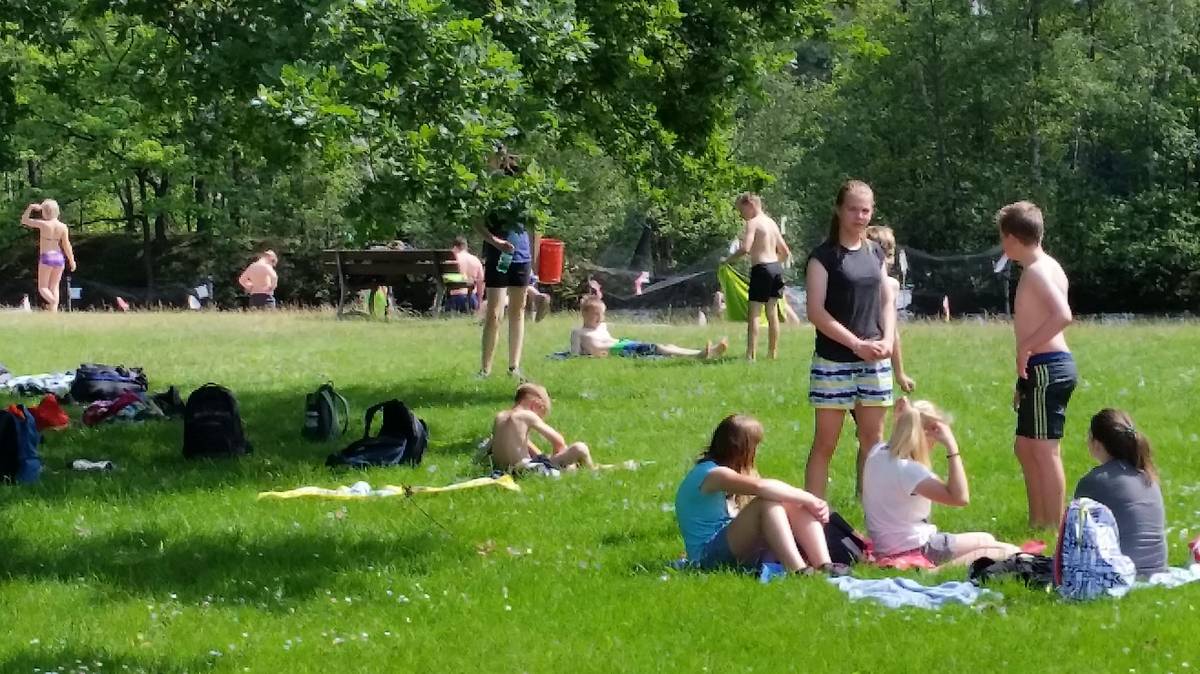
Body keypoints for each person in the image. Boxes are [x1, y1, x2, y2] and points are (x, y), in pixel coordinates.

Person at [804, 180, 895, 500]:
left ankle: (872, 509)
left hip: (874, 362)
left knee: (874, 439)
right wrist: (856, 345)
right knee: (826, 443)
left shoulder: (875, 252)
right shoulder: (823, 257)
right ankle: (813, 514)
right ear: (839, 210)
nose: (860, 216)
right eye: (853, 209)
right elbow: (815, 311)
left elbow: (887, 300)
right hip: (834, 362)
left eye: (866, 210)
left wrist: (888, 339)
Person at [675, 414, 848, 575]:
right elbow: (761, 486)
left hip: (728, 545)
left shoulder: (719, 472)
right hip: (706, 557)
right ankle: (798, 570)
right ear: (741, 449)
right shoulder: (712, 474)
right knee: (766, 503)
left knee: (787, 499)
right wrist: (810, 498)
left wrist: (802, 500)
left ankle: (824, 565)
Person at [863, 398, 1021, 567]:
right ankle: (940, 570)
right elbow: (960, 498)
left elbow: (934, 483)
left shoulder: (877, 452)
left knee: (987, 539)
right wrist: (952, 447)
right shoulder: (909, 470)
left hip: (886, 544)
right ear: (927, 433)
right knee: (1008, 550)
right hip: (916, 546)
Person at [998, 201, 1076, 529]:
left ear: (1013, 238)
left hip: (1048, 367)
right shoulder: (1042, 267)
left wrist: (1026, 349)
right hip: (1038, 370)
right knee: (1025, 447)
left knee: (1044, 450)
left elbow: (1063, 315)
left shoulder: (1039, 270)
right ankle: (1037, 523)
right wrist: (1021, 380)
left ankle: (1055, 530)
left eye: (1002, 237)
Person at [1074, 409, 1166, 577]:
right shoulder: (1147, 476)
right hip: (1157, 569)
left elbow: (1077, 539)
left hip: (1119, 574)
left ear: (1096, 444)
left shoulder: (1095, 481)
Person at [475, 145, 538, 379]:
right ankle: (485, 369)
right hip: (497, 254)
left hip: (521, 255)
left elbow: (534, 222)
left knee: (518, 310)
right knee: (493, 312)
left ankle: (514, 367)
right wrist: (495, 242)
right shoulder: (486, 187)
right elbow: (477, 223)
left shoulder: (523, 186)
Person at [724, 193, 792, 360]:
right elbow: (785, 252)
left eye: (742, 209)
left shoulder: (753, 223)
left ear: (751, 205)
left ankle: (750, 355)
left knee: (754, 313)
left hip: (761, 269)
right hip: (775, 269)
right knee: (772, 312)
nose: (741, 214)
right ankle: (772, 353)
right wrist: (774, 264)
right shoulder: (771, 223)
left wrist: (728, 260)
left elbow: (746, 248)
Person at [570, 296, 729, 360]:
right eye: (595, 314)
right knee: (660, 348)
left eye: (601, 314)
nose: (600, 318)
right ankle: (701, 354)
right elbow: (574, 356)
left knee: (664, 347)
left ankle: (705, 352)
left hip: (623, 345)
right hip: (617, 350)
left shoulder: (602, 327)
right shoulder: (578, 333)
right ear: (584, 313)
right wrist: (592, 357)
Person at [487, 383, 595, 474]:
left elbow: (525, 447)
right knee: (580, 448)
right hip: (526, 472)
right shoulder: (526, 415)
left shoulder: (500, 417)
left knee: (563, 464)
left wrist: (546, 458)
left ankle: (579, 468)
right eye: (541, 414)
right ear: (536, 405)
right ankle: (592, 471)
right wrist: (558, 458)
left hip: (504, 470)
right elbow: (559, 442)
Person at [865, 225, 915, 393]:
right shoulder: (887, 285)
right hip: (864, 355)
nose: (886, 261)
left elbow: (892, 331)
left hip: (876, 356)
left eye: (890, 255)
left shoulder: (891, 285)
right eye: (881, 254)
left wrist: (900, 374)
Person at [20, 200, 76, 312]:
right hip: (59, 258)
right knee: (54, 287)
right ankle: (53, 313)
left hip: (47, 257)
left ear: (44, 212)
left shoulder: (44, 224)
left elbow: (24, 220)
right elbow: (66, 245)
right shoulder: (63, 227)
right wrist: (72, 260)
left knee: (43, 287)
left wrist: (30, 207)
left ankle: (53, 302)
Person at [449, 236, 484, 314]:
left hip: (454, 299)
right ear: (466, 246)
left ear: (455, 247)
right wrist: (479, 303)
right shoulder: (475, 260)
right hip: (472, 299)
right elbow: (481, 282)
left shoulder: (452, 259)